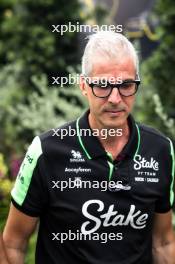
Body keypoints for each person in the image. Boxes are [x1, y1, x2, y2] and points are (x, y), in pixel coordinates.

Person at [3, 31, 175, 264]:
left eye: (125, 85)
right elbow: (13, 243)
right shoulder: (47, 151)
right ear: (84, 86)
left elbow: (163, 242)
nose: (115, 98)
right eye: (103, 85)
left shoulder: (160, 150)